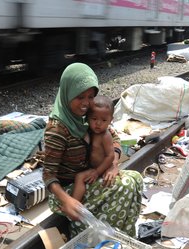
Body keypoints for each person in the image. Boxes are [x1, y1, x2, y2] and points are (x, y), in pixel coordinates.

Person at [43, 63, 143, 237]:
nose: (86, 103)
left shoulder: (87, 118)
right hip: (68, 191)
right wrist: (67, 200)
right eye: (79, 97)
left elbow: (115, 138)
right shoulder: (58, 129)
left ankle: (120, 236)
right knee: (125, 186)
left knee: (136, 179)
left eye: (90, 97)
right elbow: (48, 174)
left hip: (88, 177)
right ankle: (94, 236)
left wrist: (113, 164)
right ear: (68, 93)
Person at [71, 95, 115, 203]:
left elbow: (110, 156)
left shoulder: (105, 136)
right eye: (94, 119)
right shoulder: (88, 131)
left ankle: (74, 204)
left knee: (80, 177)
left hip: (102, 168)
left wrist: (97, 171)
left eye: (104, 120)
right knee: (79, 176)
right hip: (92, 167)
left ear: (110, 120)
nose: (98, 123)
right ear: (87, 118)